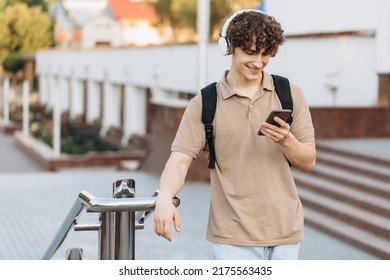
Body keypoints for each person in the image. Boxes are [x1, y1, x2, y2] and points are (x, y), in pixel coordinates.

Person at [153, 9, 316, 260]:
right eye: (250, 52)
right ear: (229, 47)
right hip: (232, 239)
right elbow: (180, 160)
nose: (258, 62)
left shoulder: (289, 93)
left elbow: (308, 161)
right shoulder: (205, 103)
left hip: (286, 233)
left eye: (265, 54)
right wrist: (164, 197)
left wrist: (287, 141)